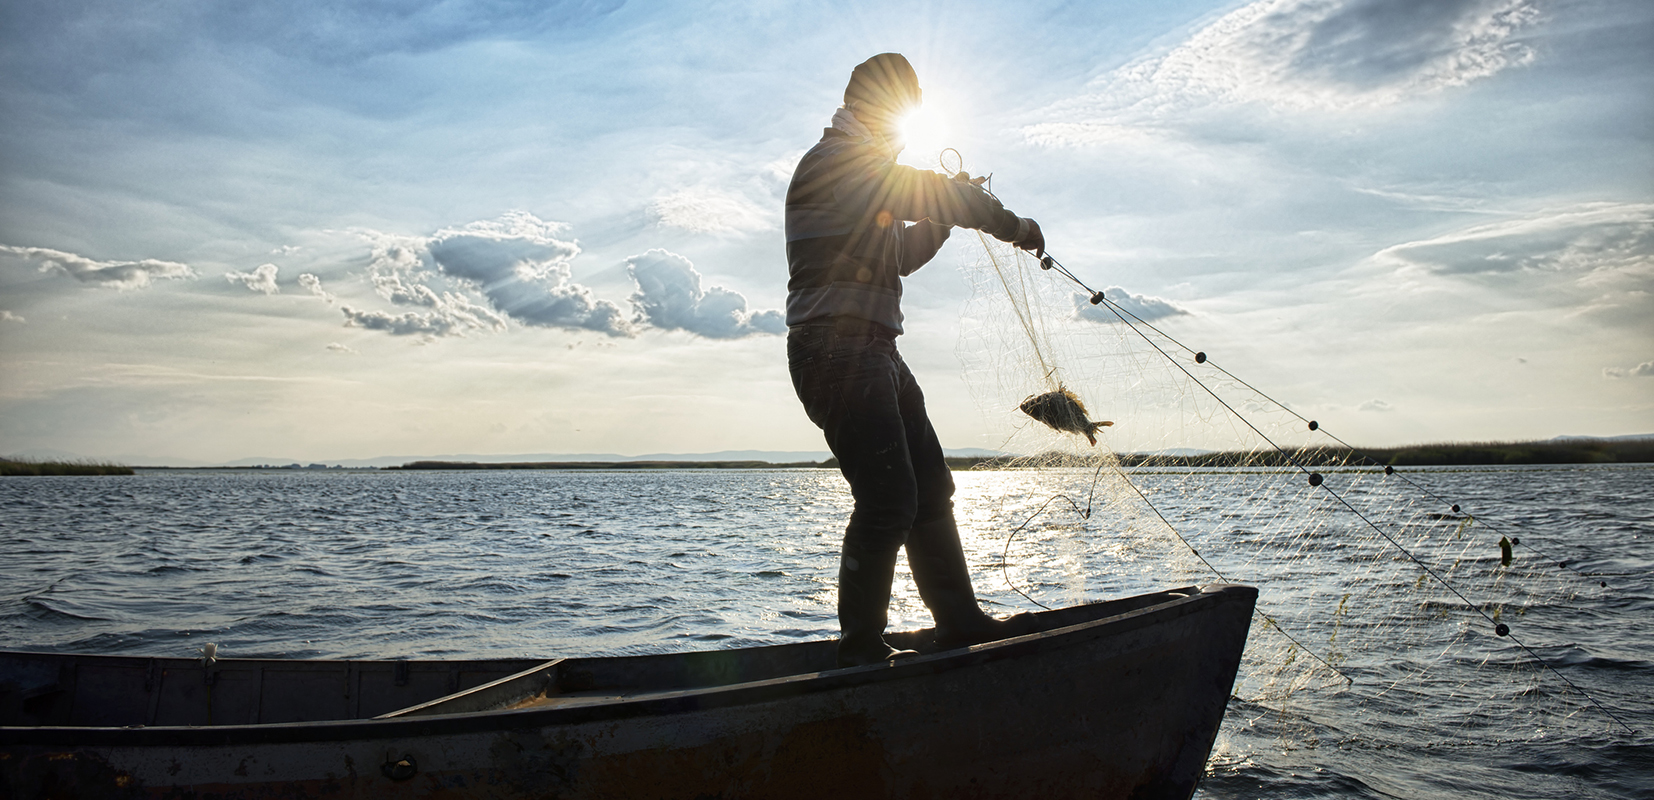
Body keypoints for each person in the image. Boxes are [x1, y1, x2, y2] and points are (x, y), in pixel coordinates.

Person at [785, 53, 1047, 667]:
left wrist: (948, 215)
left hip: (874, 348)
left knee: (931, 488)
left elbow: (898, 251)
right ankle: (859, 652)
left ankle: (959, 622)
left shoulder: (865, 170)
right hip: (835, 349)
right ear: (872, 108)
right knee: (887, 500)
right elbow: (924, 191)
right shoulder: (833, 164)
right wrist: (1011, 224)